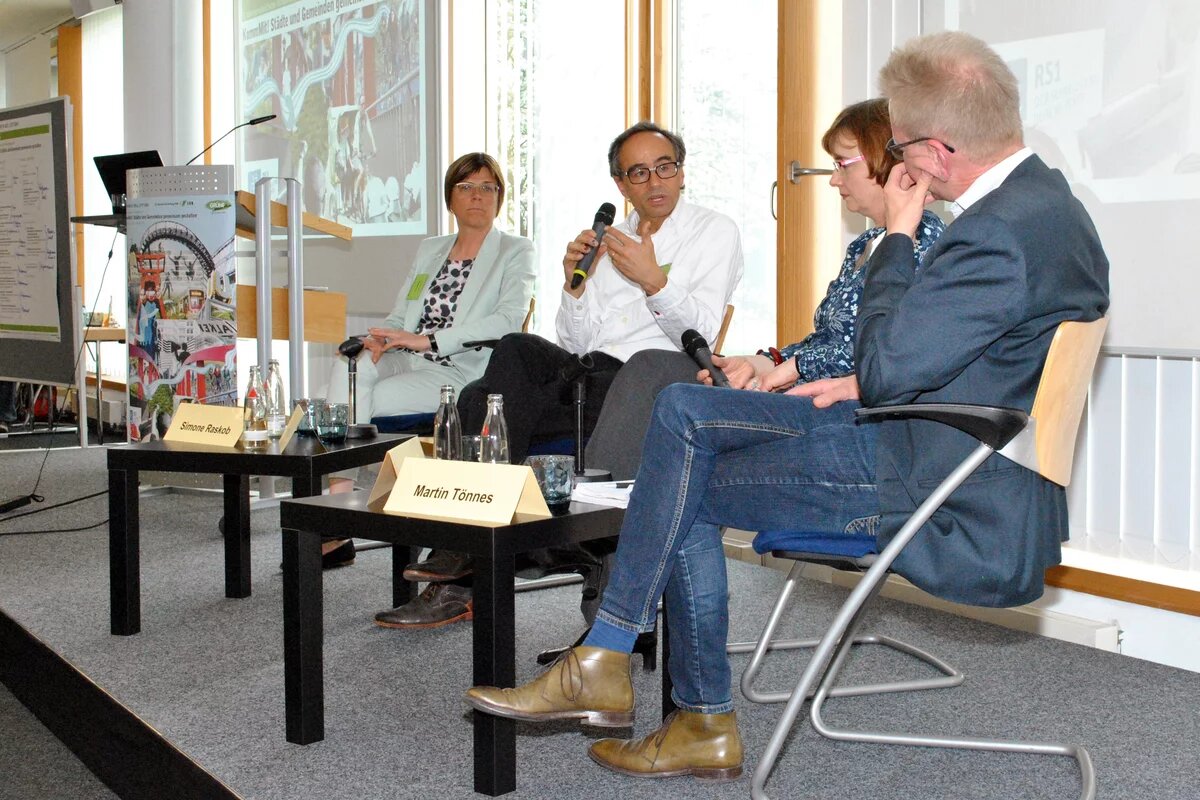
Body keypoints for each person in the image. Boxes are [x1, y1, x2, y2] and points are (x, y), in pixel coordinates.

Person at [464, 31, 1110, 781]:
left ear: (936, 152)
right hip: (930, 442)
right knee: (681, 411)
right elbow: (927, 358)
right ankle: (617, 663)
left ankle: (669, 699)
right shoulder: (1048, 206)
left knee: (682, 478)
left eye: (900, 152)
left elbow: (889, 364)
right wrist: (835, 374)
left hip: (935, 481)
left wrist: (897, 237)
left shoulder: (994, 234)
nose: (895, 170)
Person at [381, 121, 743, 628]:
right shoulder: (607, 241)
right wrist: (575, 288)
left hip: (651, 382)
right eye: (638, 173)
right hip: (588, 376)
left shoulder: (713, 230)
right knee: (505, 365)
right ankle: (468, 542)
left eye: (665, 167)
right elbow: (574, 342)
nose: (654, 181)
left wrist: (653, 280)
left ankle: (470, 563)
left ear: (682, 173)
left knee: (483, 400)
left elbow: (701, 332)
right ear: (621, 185)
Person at [321, 152, 536, 568]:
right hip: (411, 356)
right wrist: (380, 338)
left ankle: (341, 518)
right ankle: (341, 504)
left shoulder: (515, 250)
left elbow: (507, 319)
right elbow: (403, 312)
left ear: (499, 198)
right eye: (466, 187)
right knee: (353, 366)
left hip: (466, 370)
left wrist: (428, 340)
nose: (477, 196)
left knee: (364, 402)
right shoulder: (431, 248)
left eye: (488, 188)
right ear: (450, 198)